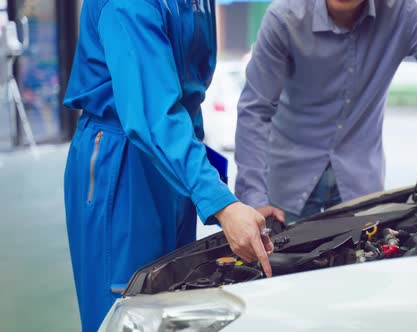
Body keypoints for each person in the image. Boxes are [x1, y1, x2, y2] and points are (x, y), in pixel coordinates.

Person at [63, 1, 273, 330]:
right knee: (128, 310)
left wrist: (205, 179)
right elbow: (150, 115)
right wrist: (221, 203)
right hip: (122, 162)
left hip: (171, 153)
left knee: (173, 302)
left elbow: (189, 94)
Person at [235, 0, 417, 223]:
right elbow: (255, 111)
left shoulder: (404, 13)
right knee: (282, 284)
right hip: (285, 187)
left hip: (359, 184)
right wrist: (254, 198)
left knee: (360, 281)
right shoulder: (284, 18)